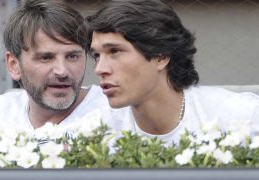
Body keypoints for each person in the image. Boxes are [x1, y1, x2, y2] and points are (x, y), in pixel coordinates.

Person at [86, 0, 259, 144]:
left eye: (115, 51)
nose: (100, 69)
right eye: (96, 55)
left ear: (161, 56)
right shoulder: (91, 133)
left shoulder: (244, 117)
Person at [0, 0, 111, 139]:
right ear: (14, 65)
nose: (62, 71)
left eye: (72, 56)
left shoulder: (114, 111)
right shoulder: (0, 112)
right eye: (45, 58)